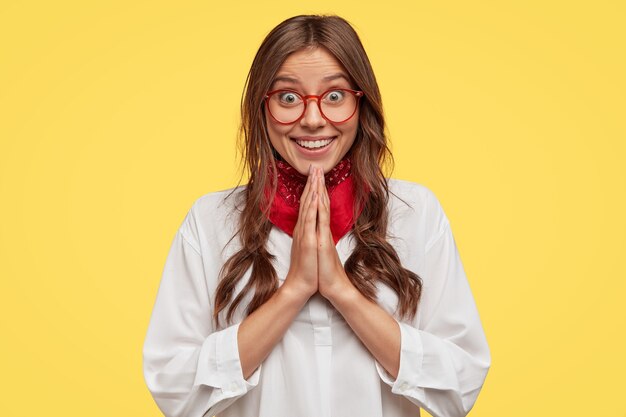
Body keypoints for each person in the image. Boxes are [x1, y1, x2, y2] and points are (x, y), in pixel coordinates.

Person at [142, 14, 491, 417]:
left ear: (362, 104)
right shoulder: (209, 220)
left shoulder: (415, 214)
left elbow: (462, 382)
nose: (312, 118)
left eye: (335, 96)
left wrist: (341, 291)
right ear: (262, 107)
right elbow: (173, 387)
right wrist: (295, 289)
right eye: (288, 98)